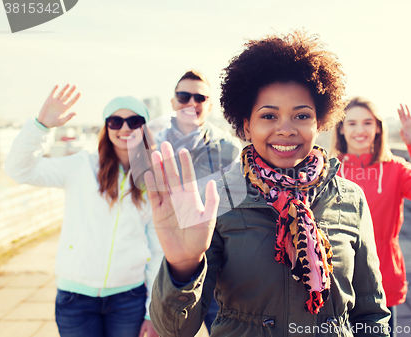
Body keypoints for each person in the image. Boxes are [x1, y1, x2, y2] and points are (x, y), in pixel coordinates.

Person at [146, 31, 391, 337]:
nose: (286, 129)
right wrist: (182, 268)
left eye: (301, 116)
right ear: (246, 125)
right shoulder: (219, 197)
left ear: (320, 122)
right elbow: (175, 329)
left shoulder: (349, 198)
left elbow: (371, 314)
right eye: (269, 116)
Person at [5, 85, 163, 337]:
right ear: (106, 127)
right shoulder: (81, 165)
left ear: (144, 128)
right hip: (75, 300)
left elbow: (158, 250)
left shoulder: (154, 178)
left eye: (134, 121)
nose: (124, 128)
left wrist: (151, 311)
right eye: (115, 121)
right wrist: (40, 126)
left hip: (129, 298)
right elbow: (18, 170)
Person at [331, 97, 411, 336]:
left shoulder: (395, 168)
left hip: (382, 275)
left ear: (377, 128)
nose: (360, 130)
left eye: (367, 122)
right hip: (335, 274)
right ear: (341, 128)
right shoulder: (327, 169)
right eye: (352, 123)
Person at [155, 70, 241, 333]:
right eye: (183, 96)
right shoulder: (151, 147)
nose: (191, 103)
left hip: (218, 268)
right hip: (164, 264)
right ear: (172, 102)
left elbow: (238, 207)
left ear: (210, 105)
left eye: (200, 97)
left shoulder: (230, 148)